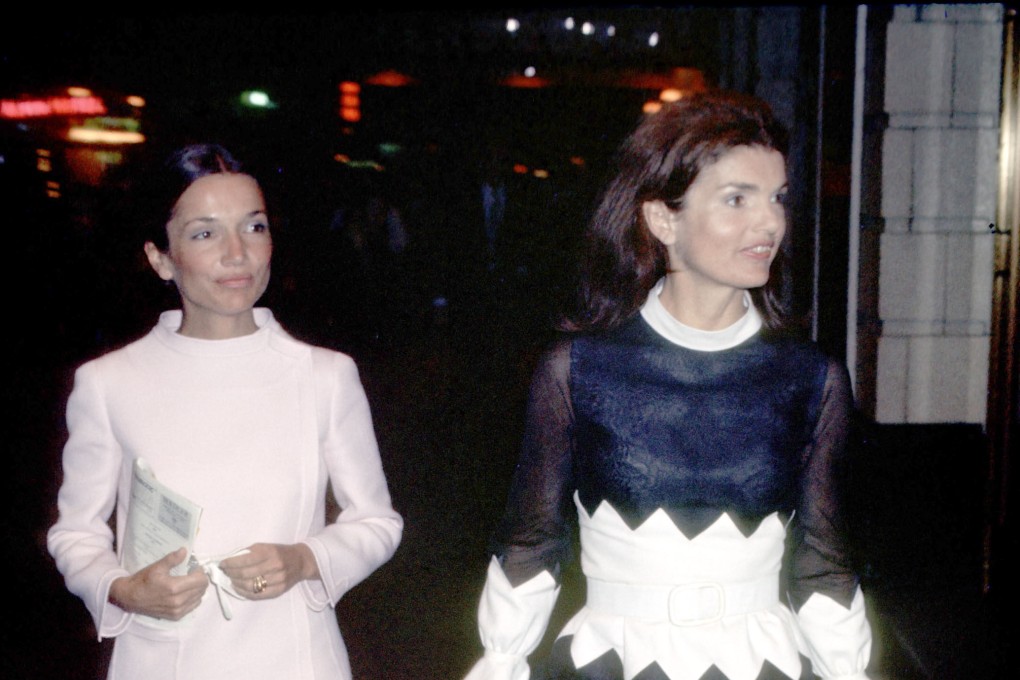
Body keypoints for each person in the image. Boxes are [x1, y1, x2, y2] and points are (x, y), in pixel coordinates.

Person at [463, 91, 873, 680]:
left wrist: (845, 668)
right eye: (738, 199)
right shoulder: (577, 369)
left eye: (777, 198)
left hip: (762, 663)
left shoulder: (810, 378)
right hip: (608, 660)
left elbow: (822, 560)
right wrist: (500, 661)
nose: (770, 223)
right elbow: (532, 542)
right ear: (662, 219)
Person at [47, 143, 403, 680]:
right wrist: (122, 589)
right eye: (205, 233)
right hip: (161, 659)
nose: (237, 253)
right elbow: (76, 532)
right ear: (160, 258)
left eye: (254, 227)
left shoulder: (324, 376)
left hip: (295, 658)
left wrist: (305, 560)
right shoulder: (108, 383)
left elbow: (376, 522)